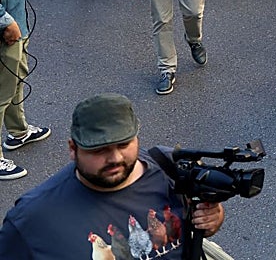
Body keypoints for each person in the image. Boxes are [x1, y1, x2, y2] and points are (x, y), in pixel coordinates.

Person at [0, 93, 230, 255]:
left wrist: (213, 219)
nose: (115, 158)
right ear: (73, 149)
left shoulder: (172, 169)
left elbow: (203, 224)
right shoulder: (31, 219)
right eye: (99, 150)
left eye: (123, 144)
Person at [0, 0, 42, 181]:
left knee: (17, 78)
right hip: (7, 28)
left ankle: (18, 131)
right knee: (1, 93)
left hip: (17, 24)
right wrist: (5, 22)